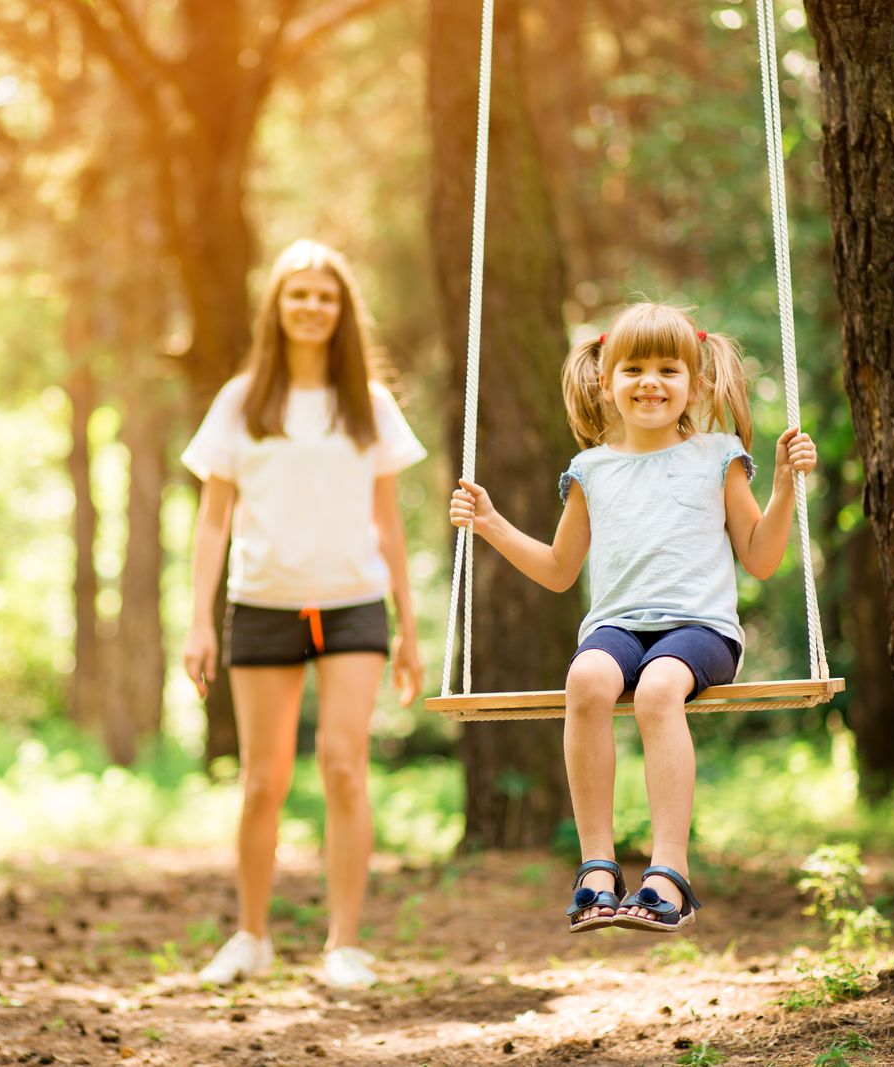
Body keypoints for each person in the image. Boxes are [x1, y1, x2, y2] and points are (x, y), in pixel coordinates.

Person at [448, 302, 817, 934]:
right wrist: (489, 524)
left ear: (695, 382)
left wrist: (784, 487)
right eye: (634, 368)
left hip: (701, 630)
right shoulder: (591, 470)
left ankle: (668, 870)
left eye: (668, 368)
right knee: (587, 680)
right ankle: (597, 867)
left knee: (657, 690)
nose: (651, 381)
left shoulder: (717, 456)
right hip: (617, 626)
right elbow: (561, 569)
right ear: (606, 382)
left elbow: (759, 557)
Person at [181, 239, 427, 987]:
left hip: (352, 605)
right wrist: (198, 622)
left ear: (342, 311)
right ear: (277, 307)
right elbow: (213, 520)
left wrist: (409, 627)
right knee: (263, 780)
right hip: (262, 605)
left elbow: (389, 523)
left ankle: (344, 944)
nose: (313, 308)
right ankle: (250, 935)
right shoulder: (242, 399)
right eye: (299, 295)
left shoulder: (370, 405)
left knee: (345, 767)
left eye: (326, 297)